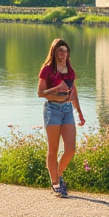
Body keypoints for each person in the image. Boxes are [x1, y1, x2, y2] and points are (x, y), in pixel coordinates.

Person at [37, 38, 84, 198]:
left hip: (67, 109)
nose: (63, 53)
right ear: (54, 52)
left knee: (70, 149)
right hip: (52, 109)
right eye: (60, 51)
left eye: (65, 51)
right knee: (53, 149)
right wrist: (58, 88)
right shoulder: (47, 70)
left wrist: (79, 112)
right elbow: (40, 93)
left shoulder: (70, 70)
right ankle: (56, 183)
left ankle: (58, 174)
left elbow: (74, 92)